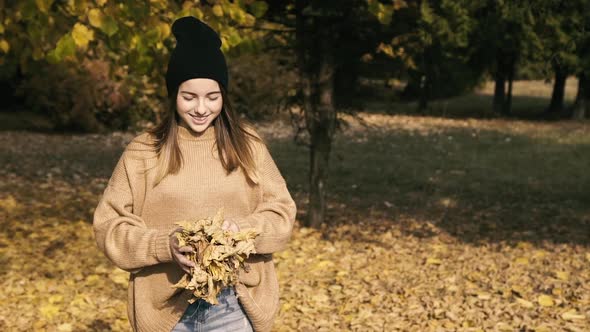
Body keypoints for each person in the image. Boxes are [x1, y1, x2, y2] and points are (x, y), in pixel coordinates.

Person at [93, 16, 296, 332]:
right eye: (189, 97)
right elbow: (109, 227)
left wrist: (240, 233)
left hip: (234, 306)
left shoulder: (248, 145)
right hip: (166, 312)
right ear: (173, 95)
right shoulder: (144, 151)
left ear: (224, 96)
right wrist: (164, 245)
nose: (201, 108)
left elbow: (282, 213)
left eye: (212, 97)